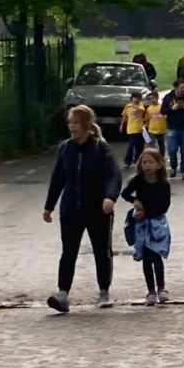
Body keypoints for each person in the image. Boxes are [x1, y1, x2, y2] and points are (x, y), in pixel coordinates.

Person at [43, 105, 121, 312]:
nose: (72, 126)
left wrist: (110, 197)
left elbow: (114, 174)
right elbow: (58, 178)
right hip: (71, 210)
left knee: (101, 251)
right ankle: (62, 294)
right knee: (68, 251)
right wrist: (49, 207)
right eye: (70, 122)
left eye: (76, 122)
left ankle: (104, 291)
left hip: (98, 211)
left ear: (86, 124)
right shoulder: (65, 148)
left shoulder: (100, 147)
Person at [121, 146, 172, 305]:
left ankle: (161, 288)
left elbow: (164, 207)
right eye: (144, 162)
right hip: (141, 225)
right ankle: (150, 290)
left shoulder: (164, 184)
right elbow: (125, 193)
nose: (147, 165)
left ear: (159, 165)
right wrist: (134, 201)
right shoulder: (138, 180)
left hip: (157, 224)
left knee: (157, 255)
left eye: (151, 162)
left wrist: (146, 212)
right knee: (146, 257)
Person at [161, 79, 184, 180]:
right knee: (172, 150)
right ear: (176, 88)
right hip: (172, 128)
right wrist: (172, 109)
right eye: (182, 87)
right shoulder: (168, 97)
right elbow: (162, 111)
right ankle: (173, 166)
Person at [120, 90, 147, 168]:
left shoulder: (140, 104)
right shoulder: (127, 106)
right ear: (131, 98)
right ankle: (127, 161)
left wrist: (133, 105)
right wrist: (122, 125)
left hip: (139, 129)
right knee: (131, 145)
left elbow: (142, 110)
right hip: (131, 129)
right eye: (135, 98)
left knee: (140, 146)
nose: (136, 99)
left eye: (138, 98)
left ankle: (138, 158)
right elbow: (125, 116)